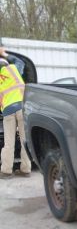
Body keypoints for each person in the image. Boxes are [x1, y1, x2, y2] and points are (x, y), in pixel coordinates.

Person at [0, 47, 30, 178]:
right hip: (22, 108)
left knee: (9, 142)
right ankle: (26, 169)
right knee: (24, 140)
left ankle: (6, 171)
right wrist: (4, 54)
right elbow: (21, 62)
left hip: (8, 110)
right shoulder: (14, 69)